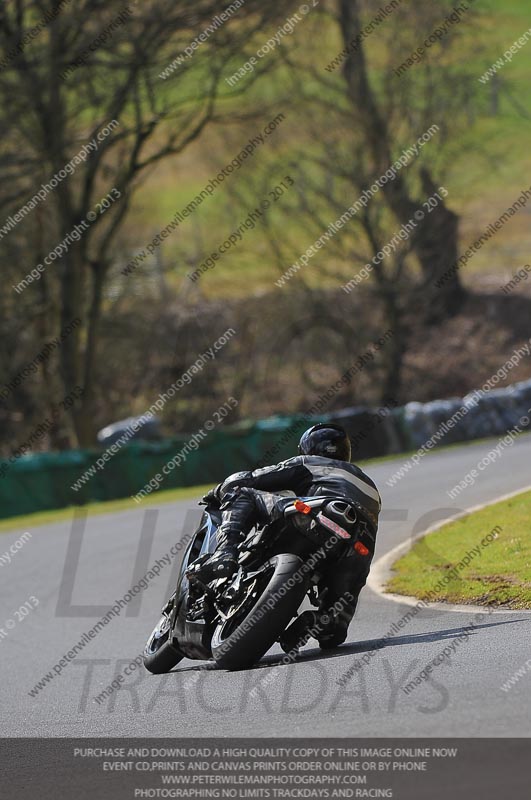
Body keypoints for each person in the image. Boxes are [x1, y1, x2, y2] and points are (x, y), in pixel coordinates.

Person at [188, 423, 381, 650]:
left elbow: (251, 479)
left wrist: (222, 489)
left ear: (307, 448)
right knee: (335, 630)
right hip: (357, 544)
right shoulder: (370, 486)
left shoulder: (308, 462)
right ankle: (316, 622)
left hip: (314, 515)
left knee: (243, 493)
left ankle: (225, 553)